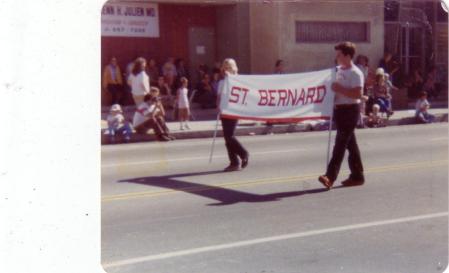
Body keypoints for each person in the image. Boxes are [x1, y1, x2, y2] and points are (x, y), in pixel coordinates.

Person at [318, 41, 365, 189]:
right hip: (339, 110)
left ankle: (330, 177)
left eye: (339, 55)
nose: (337, 57)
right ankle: (357, 176)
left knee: (340, 144)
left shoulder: (356, 73)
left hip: (350, 110)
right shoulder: (337, 70)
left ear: (348, 56)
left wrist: (340, 89)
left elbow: (358, 93)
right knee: (350, 144)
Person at [217, 58, 249, 172]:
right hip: (224, 111)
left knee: (230, 136)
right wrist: (218, 108)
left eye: (229, 67)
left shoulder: (237, 81)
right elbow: (219, 96)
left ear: (233, 68)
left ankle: (243, 153)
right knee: (227, 138)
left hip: (233, 111)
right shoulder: (221, 82)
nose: (226, 69)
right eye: (225, 67)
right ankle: (234, 162)